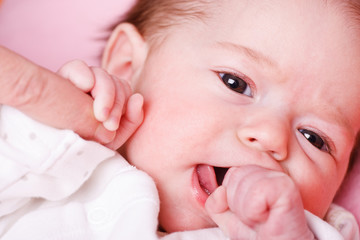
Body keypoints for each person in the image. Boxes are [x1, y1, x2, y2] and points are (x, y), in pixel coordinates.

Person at [1, 0, 360, 239]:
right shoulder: (58, 162)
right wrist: (47, 124)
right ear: (127, 67)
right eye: (236, 83)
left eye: (315, 138)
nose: (271, 137)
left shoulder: (317, 229)